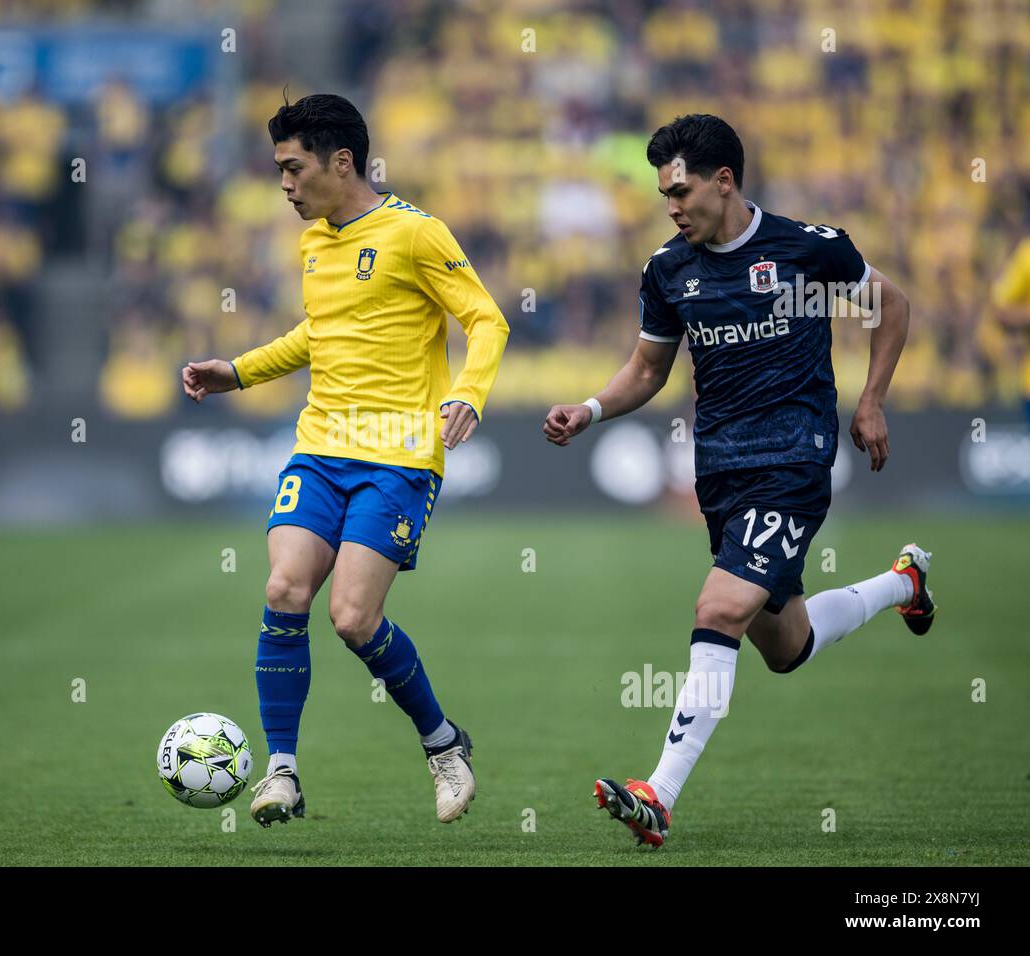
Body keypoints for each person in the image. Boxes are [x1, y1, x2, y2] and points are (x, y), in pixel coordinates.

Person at [543, 114, 935, 848]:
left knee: (718, 608)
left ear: (725, 181)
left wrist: (873, 398)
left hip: (792, 460)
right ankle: (904, 584)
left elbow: (894, 306)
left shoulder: (805, 252)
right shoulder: (669, 270)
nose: (672, 205)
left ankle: (657, 794)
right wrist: (592, 409)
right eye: (664, 193)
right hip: (720, 469)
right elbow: (649, 370)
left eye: (682, 190)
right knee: (785, 644)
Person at [182, 94, 509, 826]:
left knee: (354, 618)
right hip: (320, 447)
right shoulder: (314, 244)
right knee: (283, 591)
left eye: (294, 168)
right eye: (278, 171)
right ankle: (283, 773)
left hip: (397, 458)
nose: (285, 184)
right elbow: (319, 336)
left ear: (341, 161)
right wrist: (237, 371)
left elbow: (487, 319)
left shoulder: (415, 235)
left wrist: (468, 393)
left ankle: (443, 742)